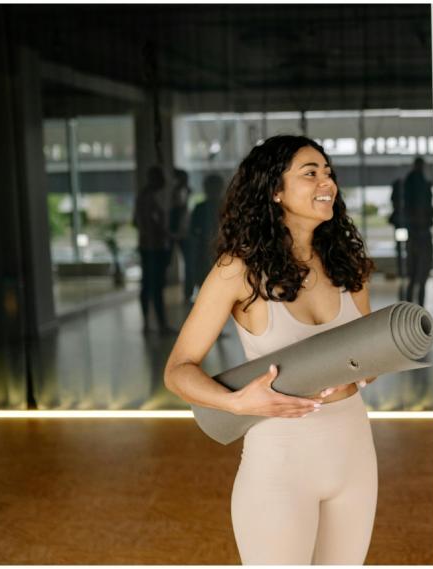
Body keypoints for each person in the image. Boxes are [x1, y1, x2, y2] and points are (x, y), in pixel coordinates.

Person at [164, 135, 377, 565]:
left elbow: (367, 359)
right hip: (281, 462)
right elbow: (178, 370)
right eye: (310, 173)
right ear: (275, 190)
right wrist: (237, 403)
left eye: (328, 173)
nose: (327, 182)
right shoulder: (238, 270)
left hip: (354, 453)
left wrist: (371, 365)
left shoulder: (347, 264)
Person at [133, 165, 172, 333]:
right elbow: (149, 223)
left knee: (149, 285)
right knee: (155, 287)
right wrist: (165, 234)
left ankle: (149, 324)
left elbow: (136, 221)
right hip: (153, 247)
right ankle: (160, 325)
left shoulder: (144, 196)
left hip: (149, 246)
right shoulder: (148, 198)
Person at [402, 157, 433, 306]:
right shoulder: (417, 183)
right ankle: (415, 308)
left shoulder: (415, 182)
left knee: (416, 276)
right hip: (418, 234)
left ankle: (414, 308)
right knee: (418, 276)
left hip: (418, 233)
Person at [188, 173, 225, 300]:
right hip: (204, 248)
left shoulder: (226, 205)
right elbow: (193, 230)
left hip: (222, 248)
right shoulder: (200, 207)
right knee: (204, 277)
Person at [169, 169, 193, 303]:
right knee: (189, 263)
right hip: (181, 234)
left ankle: (188, 293)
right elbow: (180, 209)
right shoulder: (179, 192)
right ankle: (188, 293)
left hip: (181, 233)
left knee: (188, 263)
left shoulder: (178, 191)